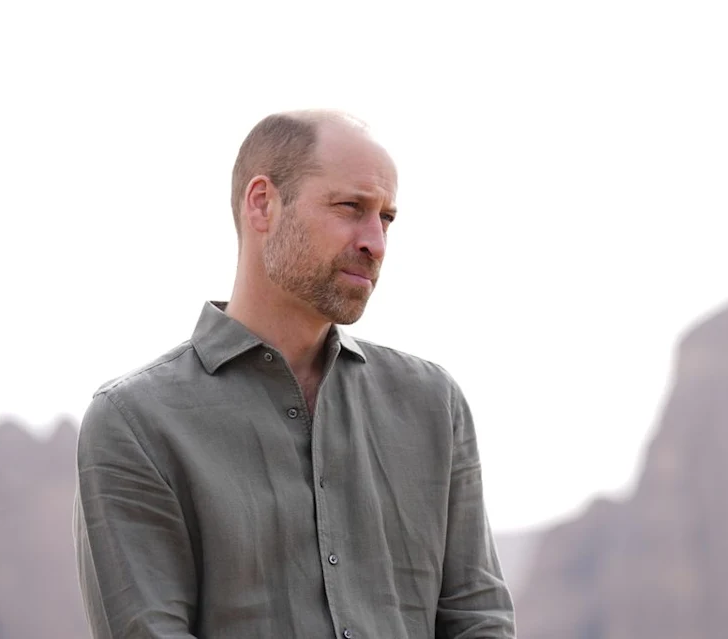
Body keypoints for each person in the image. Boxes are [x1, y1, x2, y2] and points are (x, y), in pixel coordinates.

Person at [73, 110, 516, 638]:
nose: (375, 241)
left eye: (387, 218)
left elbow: (478, 619)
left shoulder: (432, 404)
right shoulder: (135, 422)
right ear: (263, 204)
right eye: (351, 207)